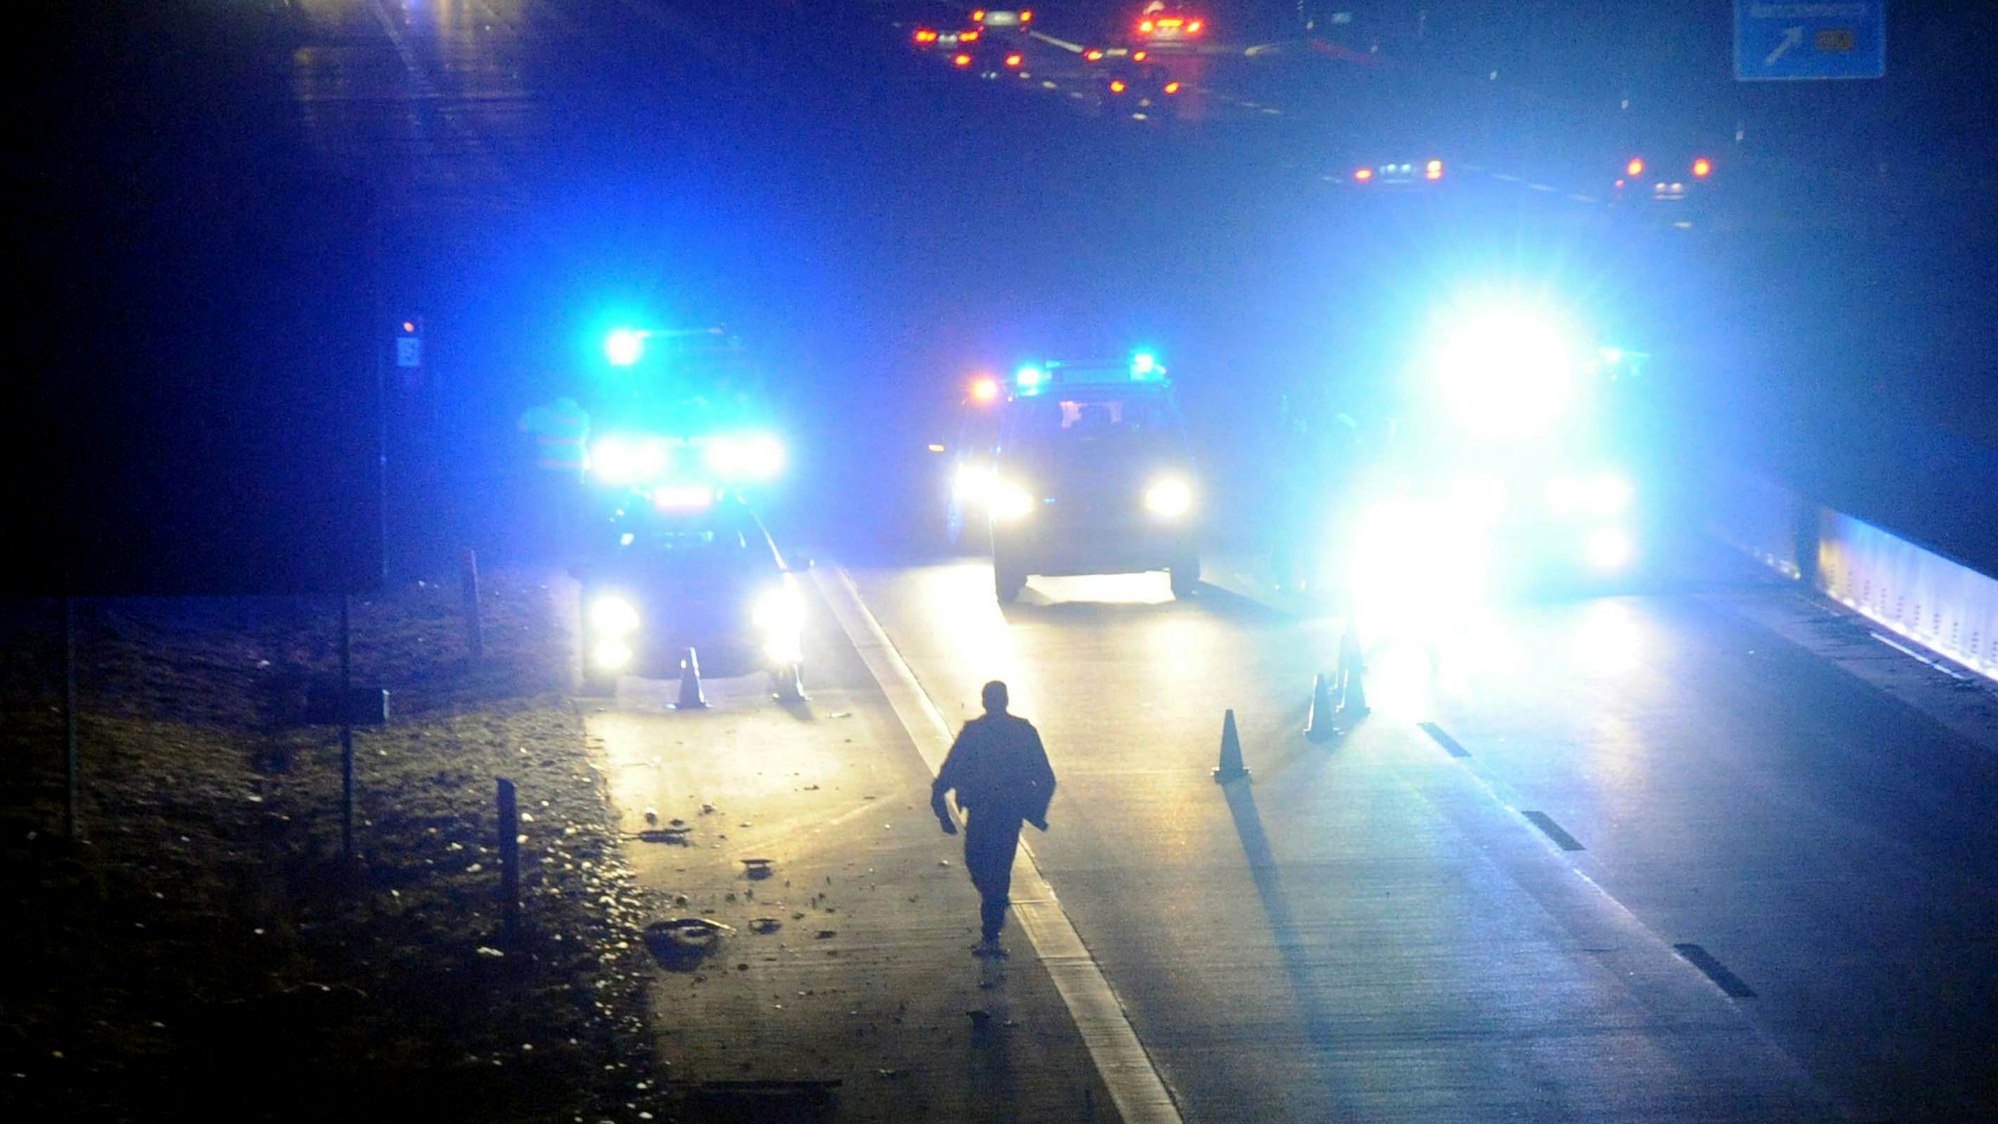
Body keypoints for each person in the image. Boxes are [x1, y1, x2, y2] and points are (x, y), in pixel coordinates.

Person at [932, 681, 1056, 958]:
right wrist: (1035, 809)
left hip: (989, 813)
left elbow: (950, 770)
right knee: (990, 868)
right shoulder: (1021, 732)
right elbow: (1046, 778)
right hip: (1004, 813)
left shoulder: (977, 733)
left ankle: (992, 930)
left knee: (982, 865)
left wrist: (942, 806)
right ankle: (996, 905)